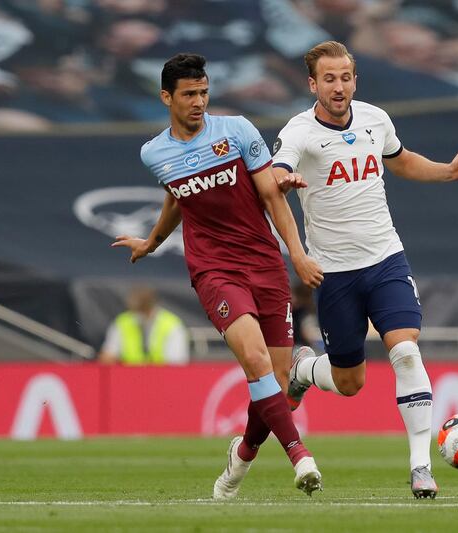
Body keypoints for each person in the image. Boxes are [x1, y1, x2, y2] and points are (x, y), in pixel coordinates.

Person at [271, 41, 458, 499]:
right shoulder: (298, 131)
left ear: (355, 79)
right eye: (328, 79)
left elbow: (401, 161)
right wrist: (284, 180)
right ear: (312, 84)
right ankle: (305, 371)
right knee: (350, 382)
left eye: (345, 77)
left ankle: (420, 466)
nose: (339, 87)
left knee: (406, 351)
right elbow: (276, 175)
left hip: (386, 259)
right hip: (333, 274)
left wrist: (449, 171)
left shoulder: (375, 119)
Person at [110, 53, 325, 499]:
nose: (199, 102)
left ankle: (242, 454)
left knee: (278, 385)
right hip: (214, 269)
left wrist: (298, 255)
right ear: (166, 97)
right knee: (256, 362)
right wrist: (151, 243)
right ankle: (300, 456)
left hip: (265, 263)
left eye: (204, 93)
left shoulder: (238, 131)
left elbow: (271, 196)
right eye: (189, 94)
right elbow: (178, 199)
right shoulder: (154, 152)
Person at [98, 286, 189, 365]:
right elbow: (108, 356)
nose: (137, 314)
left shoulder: (171, 324)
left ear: (151, 306)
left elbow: (177, 362)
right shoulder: (122, 322)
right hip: (129, 377)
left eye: (142, 310)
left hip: (162, 377)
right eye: (134, 310)